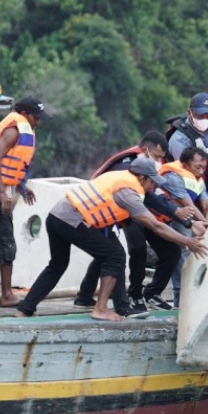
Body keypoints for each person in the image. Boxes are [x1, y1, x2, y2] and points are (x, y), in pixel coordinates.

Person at [16, 158, 208, 321]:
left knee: (60, 264)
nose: (154, 186)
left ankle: (26, 308)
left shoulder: (119, 176)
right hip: (73, 220)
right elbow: (155, 225)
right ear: (142, 178)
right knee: (115, 255)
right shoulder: (129, 192)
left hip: (57, 215)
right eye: (152, 182)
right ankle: (100, 309)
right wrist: (188, 241)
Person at [74, 131, 195, 317]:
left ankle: (152, 292)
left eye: (161, 158)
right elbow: (132, 198)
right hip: (120, 212)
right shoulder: (125, 165)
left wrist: (181, 216)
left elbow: (153, 196)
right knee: (134, 248)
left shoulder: (149, 166)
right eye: (156, 157)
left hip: (141, 208)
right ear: (146, 150)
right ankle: (134, 294)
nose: (159, 161)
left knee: (170, 250)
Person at [0, 96, 51, 307]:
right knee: (7, 245)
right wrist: (2, 193)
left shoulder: (24, 130)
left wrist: (21, 188)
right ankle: (7, 295)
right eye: (36, 117)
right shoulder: (14, 129)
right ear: (25, 114)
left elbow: (12, 167)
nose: (38, 122)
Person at [160, 148, 208, 307]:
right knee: (181, 255)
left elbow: (205, 201)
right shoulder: (173, 176)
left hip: (186, 219)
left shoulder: (198, 178)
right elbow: (188, 204)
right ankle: (180, 301)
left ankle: (194, 297)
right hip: (168, 219)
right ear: (185, 164)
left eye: (203, 167)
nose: (201, 171)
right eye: (197, 167)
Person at [167, 92, 208, 204]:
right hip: (184, 191)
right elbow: (186, 173)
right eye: (200, 116)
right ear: (190, 113)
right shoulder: (179, 139)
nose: (204, 119)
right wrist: (205, 204)